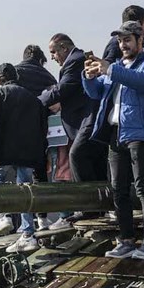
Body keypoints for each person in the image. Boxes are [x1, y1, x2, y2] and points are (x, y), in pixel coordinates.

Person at [83, 21, 144, 261]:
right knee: (118, 190)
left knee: (143, 188)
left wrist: (109, 69)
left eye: (128, 40)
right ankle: (126, 240)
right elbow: (96, 92)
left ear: (140, 40)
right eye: (120, 41)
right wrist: (88, 77)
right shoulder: (116, 66)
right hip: (116, 133)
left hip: (140, 133)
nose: (123, 45)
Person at [0, 63, 48, 253]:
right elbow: (42, 129)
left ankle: (5, 215)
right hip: (28, 152)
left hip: (4, 151)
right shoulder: (33, 99)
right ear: (17, 78)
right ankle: (28, 233)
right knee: (25, 189)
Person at [42, 34, 103, 185]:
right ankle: (96, 204)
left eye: (53, 52)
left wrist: (36, 101)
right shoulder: (76, 59)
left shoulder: (75, 60)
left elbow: (63, 89)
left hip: (86, 120)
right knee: (93, 164)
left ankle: (89, 203)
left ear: (64, 47)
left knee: (77, 156)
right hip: (84, 121)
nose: (52, 57)